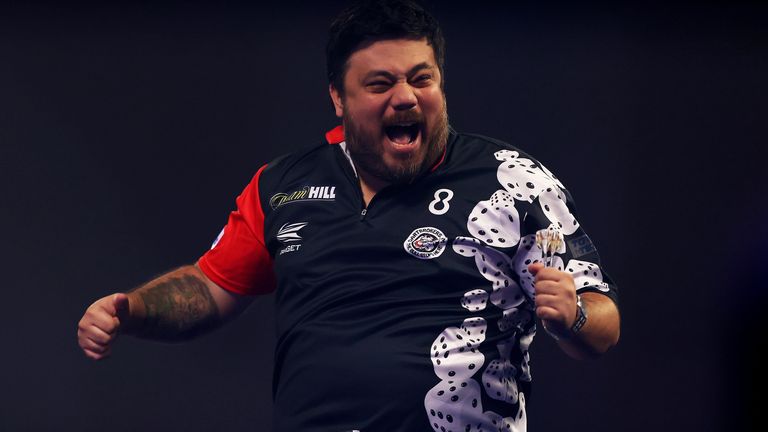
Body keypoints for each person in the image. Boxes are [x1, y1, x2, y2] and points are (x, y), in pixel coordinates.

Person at [77, 1, 620, 431]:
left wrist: (571, 316)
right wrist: (132, 310)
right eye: (380, 84)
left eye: (421, 78)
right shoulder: (282, 184)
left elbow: (602, 324)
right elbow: (209, 290)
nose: (405, 98)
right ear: (338, 97)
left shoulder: (512, 180)